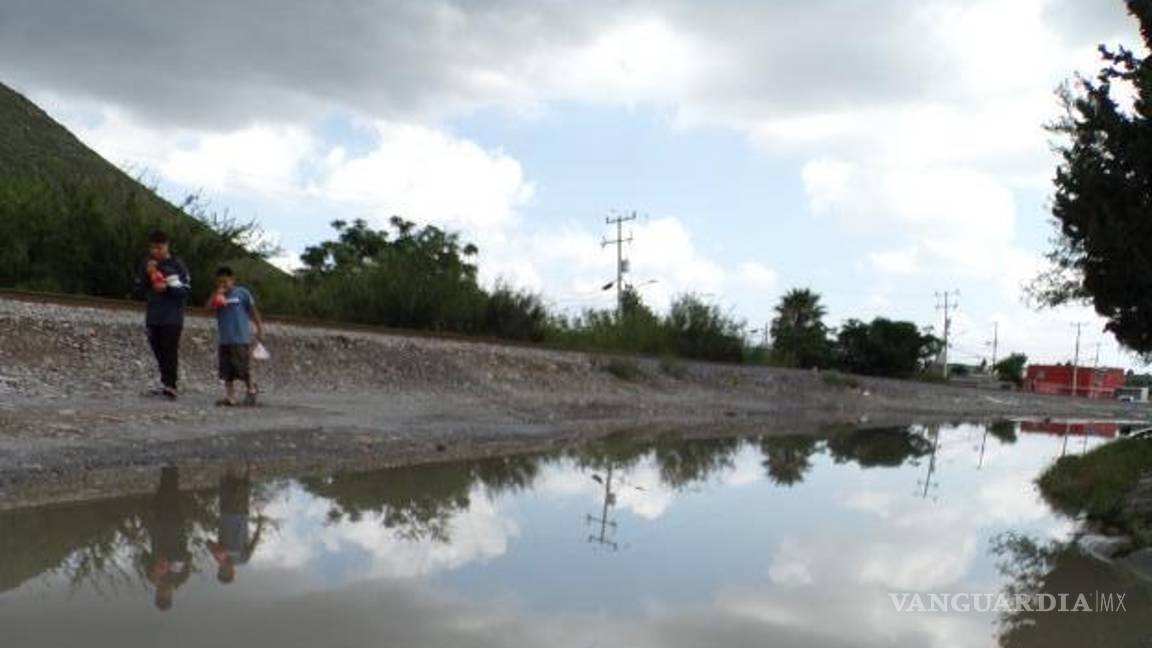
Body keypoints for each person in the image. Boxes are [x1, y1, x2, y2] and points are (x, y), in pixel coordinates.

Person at [134, 230, 191, 399]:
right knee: (157, 349)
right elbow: (138, 289)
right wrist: (147, 274)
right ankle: (165, 382)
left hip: (172, 317)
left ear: (166, 246)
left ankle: (171, 385)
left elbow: (185, 290)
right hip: (153, 315)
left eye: (159, 248)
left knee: (169, 350)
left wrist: (168, 286)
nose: (156, 252)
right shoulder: (147, 264)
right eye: (153, 248)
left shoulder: (176, 265)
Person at [206, 266, 264, 407]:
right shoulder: (218, 295)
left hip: (240, 337)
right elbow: (207, 309)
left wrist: (259, 328)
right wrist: (216, 295)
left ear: (232, 280)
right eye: (220, 282)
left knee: (242, 367)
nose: (223, 284)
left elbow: (253, 311)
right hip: (225, 338)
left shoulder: (242, 293)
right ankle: (230, 397)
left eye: (226, 281)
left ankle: (251, 389)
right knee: (226, 371)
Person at [141, 466, 192, 611]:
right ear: (171, 596)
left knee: (161, 494)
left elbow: (143, 556)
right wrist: (168, 561)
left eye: (160, 596)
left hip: (156, 527)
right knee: (172, 494)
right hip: (176, 527)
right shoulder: (181, 577)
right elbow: (187, 556)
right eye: (166, 596)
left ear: (156, 595)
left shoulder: (152, 578)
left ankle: (167, 468)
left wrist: (152, 569)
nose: (163, 593)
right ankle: (172, 467)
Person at [207, 463, 266, 584]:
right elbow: (254, 541)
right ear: (233, 572)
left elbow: (207, 542)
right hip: (241, 514)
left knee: (228, 480)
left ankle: (231, 459)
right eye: (226, 572)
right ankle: (247, 462)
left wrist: (217, 551)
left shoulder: (218, 558)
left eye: (221, 570)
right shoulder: (243, 559)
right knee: (243, 484)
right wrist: (260, 523)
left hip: (225, 513)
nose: (224, 569)